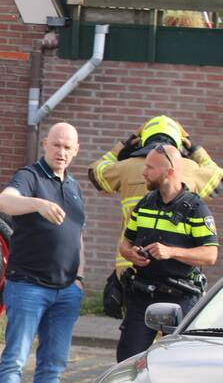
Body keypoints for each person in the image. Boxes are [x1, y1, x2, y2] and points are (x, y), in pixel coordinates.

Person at [0, 122, 86, 383]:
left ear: (76, 151)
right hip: (28, 285)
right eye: (56, 145)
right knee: (15, 359)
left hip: (66, 291)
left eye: (67, 147)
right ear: (45, 144)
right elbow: (4, 202)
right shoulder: (30, 176)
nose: (61, 152)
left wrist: (80, 278)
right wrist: (37, 204)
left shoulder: (73, 185)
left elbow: (76, 235)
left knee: (53, 365)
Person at [116, 143, 218, 360]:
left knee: (177, 363)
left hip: (179, 298)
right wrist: (130, 254)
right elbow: (124, 244)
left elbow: (210, 255)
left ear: (169, 172)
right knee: (127, 361)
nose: (144, 172)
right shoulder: (145, 203)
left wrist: (171, 252)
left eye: (150, 167)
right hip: (142, 295)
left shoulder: (196, 209)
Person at [89, 115, 221, 279]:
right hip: (177, 275)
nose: (145, 172)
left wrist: (123, 146)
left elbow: (95, 173)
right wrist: (194, 148)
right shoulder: (191, 169)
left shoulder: (125, 167)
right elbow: (218, 178)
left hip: (130, 266)